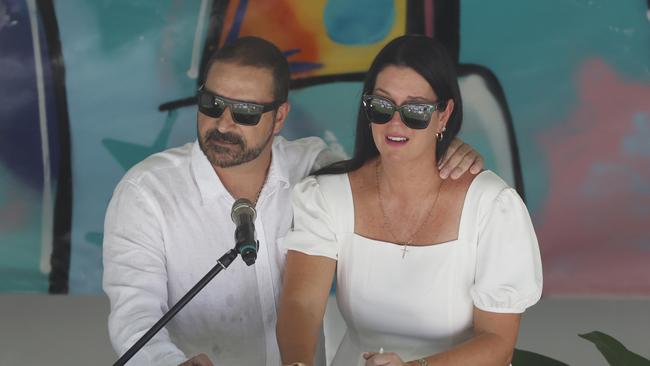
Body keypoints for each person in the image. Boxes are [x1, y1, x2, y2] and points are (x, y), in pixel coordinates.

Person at [102, 36, 484, 366]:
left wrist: (443, 147)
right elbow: (135, 315)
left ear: (280, 116)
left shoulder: (315, 170)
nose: (223, 124)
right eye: (212, 104)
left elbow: (390, 174)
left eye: (247, 112)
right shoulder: (146, 193)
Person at [277, 35, 543, 366]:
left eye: (415, 110)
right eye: (382, 106)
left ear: (444, 114)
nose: (395, 122)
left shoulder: (492, 206)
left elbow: (498, 342)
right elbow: (300, 305)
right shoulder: (327, 196)